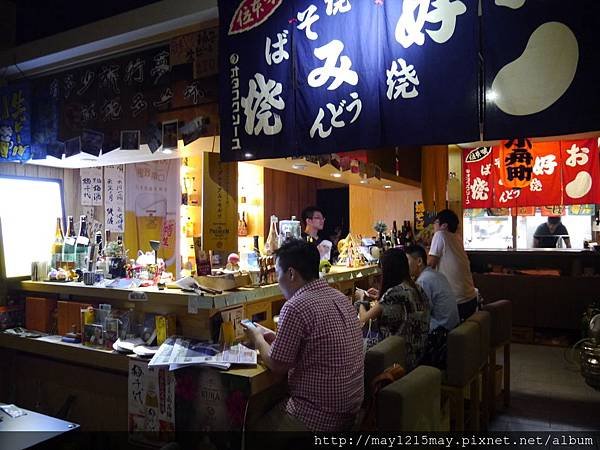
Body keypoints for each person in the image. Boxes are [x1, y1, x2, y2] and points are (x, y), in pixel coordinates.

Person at [243, 239, 363, 432]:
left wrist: (256, 337)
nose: (277, 279)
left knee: (250, 428)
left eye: (277, 272)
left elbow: (277, 365)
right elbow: (315, 344)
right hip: (350, 411)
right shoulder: (338, 296)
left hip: (318, 416)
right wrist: (275, 337)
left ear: (291, 274)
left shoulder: (295, 306)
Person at [357, 248, 430, 372]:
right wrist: (381, 296)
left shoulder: (394, 292)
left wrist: (360, 301)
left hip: (400, 355)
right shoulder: (416, 287)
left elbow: (363, 319)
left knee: (355, 340)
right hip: (419, 351)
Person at [427, 209, 478, 322]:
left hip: (457, 302)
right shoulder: (457, 238)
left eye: (435, 222)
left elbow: (430, 264)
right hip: (471, 299)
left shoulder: (440, 234)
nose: (433, 226)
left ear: (444, 225)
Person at [405, 244, 459, 332]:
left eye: (407, 261)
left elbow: (421, 313)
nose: (405, 266)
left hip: (442, 331)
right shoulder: (435, 274)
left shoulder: (423, 281)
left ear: (419, 261)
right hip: (453, 326)